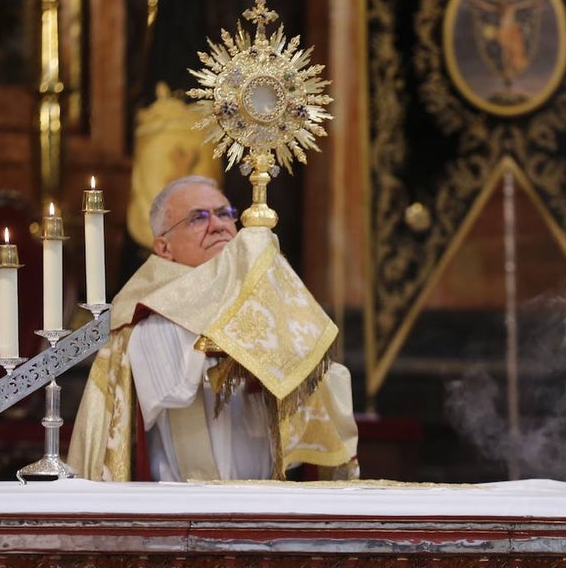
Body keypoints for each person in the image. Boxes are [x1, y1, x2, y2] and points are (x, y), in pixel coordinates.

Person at [68, 175, 358, 482]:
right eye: (198, 218)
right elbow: (173, 390)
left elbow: (316, 395)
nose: (218, 224)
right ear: (164, 248)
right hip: (183, 509)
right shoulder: (148, 315)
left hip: (267, 502)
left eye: (224, 213)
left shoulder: (271, 306)